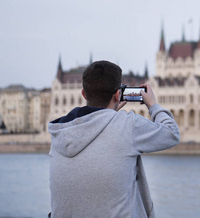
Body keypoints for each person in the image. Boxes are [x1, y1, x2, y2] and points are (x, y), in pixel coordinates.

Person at [48, 60, 179, 217]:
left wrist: (110, 114)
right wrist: (153, 105)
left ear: (83, 94)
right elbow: (171, 133)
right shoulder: (128, 126)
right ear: (118, 95)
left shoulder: (60, 131)